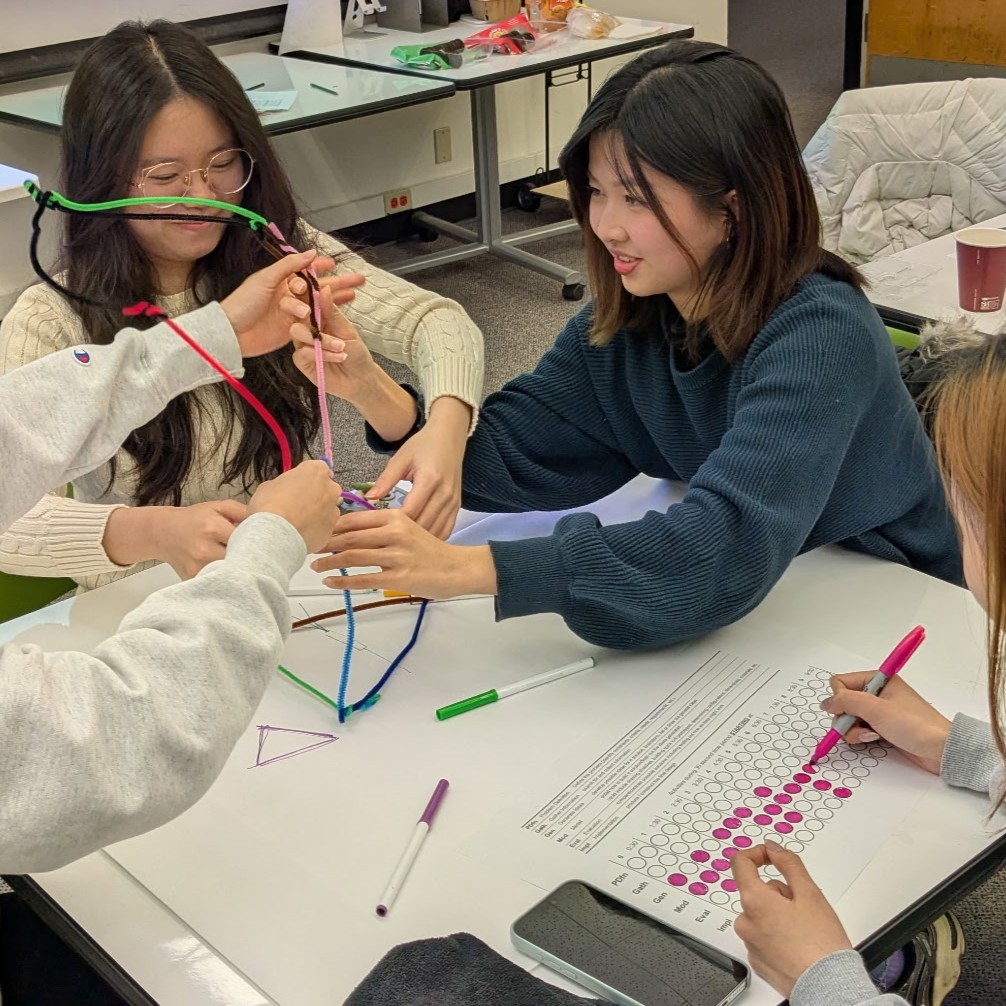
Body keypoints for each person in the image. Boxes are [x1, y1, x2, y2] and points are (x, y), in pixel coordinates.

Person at [312, 40, 961, 650]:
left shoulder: (821, 333)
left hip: (893, 598)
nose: (606, 225)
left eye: (636, 199)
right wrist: (375, 391)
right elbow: (520, 456)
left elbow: (720, 550)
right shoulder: (633, 319)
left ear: (732, 209)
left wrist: (467, 569)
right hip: (785, 584)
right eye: (597, 192)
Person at [0, 18, 483, 592]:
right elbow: (12, 522)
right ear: (102, 180)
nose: (204, 197)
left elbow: (437, 322)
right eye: (165, 175)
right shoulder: (51, 318)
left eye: (224, 163)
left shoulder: (275, 256)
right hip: (141, 602)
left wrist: (444, 430)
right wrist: (153, 532)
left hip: (281, 577)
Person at [0, 251, 345, 874]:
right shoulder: (51, 310)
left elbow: (17, 427)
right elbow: (103, 749)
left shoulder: (264, 264)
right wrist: (266, 550)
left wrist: (208, 338)